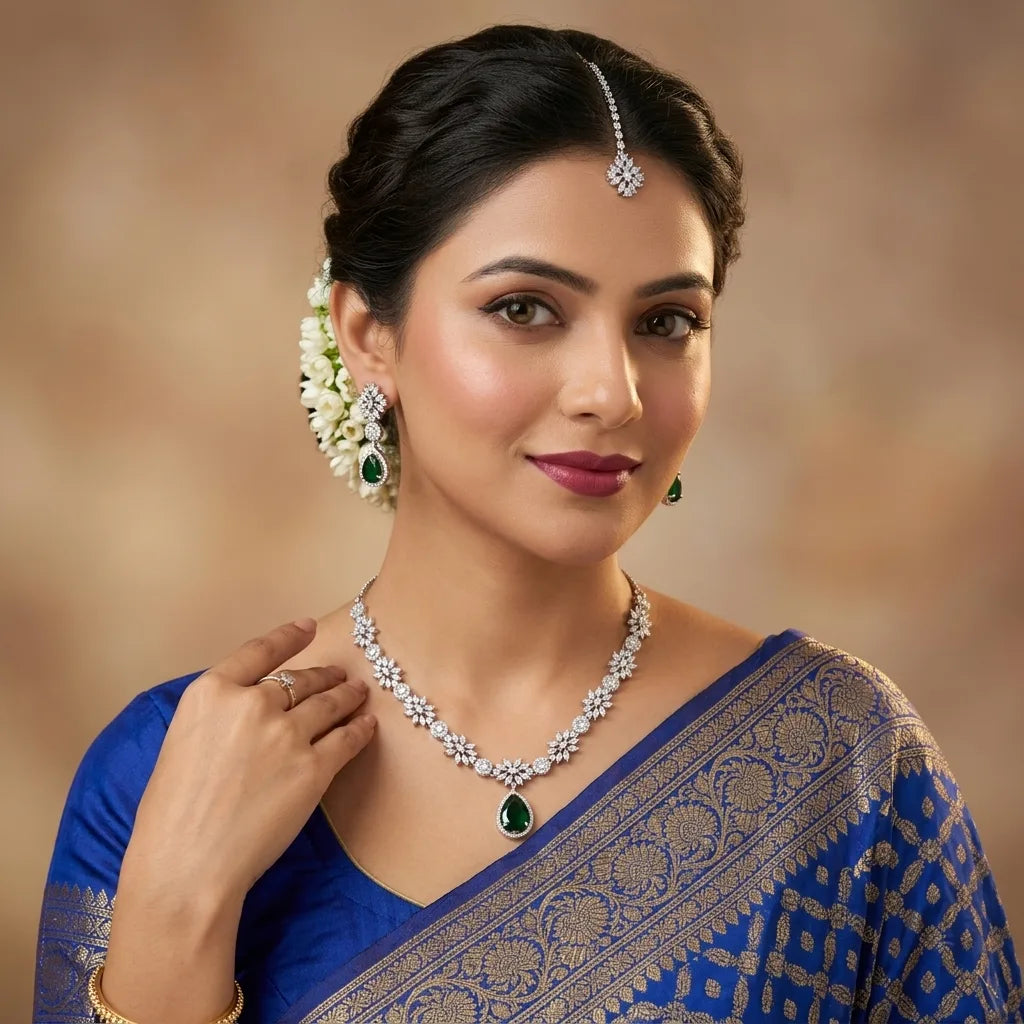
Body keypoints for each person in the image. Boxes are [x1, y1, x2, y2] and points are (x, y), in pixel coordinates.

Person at [32, 23, 1022, 1024]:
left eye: (665, 321)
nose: (612, 392)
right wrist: (176, 913)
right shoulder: (169, 774)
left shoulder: (833, 757)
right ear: (368, 336)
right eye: (525, 308)